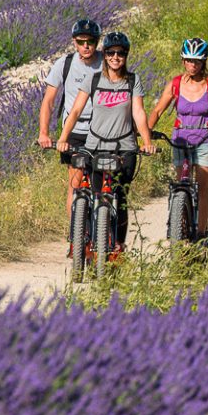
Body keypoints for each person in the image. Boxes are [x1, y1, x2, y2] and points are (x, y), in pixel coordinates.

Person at [56, 31, 154, 255]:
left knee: (119, 195)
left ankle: (118, 245)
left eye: (120, 53)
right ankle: (87, 241)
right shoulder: (94, 80)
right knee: (96, 194)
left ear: (126, 55)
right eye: (110, 53)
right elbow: (76, 110)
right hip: (96, 146)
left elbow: (138, 112)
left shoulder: (133, 81)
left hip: (124, 147)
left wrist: (146, 141)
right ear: (105, 54)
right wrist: (63, 138)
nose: (115, 57)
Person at [145, 37, 208, 245]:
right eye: (188, 60)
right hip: (180, 139)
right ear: (183, 60)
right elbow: (158, 109)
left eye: (196, 61)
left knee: (202, 188)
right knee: (181, 184)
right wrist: (147, 134)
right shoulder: (175, 84)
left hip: (205, 139)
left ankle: (202, 235)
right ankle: (180, 223)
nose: (192, 65)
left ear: (203, 62)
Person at [38, 18, 106, 252]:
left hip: (102, 132)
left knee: (101, 186)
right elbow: (48, 101)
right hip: (73, 132)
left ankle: (103, 233)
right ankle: (75, 238)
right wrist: (44, 133)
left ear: (98, 42)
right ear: (74, 42)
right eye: (81, 42)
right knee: (75, 185)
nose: (86, 46)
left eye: (91, 42)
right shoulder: (64, 64)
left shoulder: (106, 63)